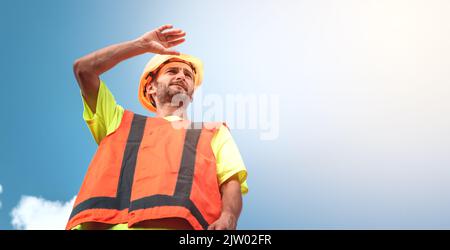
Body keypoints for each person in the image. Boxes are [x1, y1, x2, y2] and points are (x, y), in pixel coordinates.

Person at [66, 24, 248, 230]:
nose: (182, 77)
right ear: (150, 87)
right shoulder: (118, 121)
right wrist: (140, 45)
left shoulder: (213, 131)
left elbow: (230, 181)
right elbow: (84, 69)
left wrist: (229, 217)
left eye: (188, 75)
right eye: (172, 71)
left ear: (191, 94)